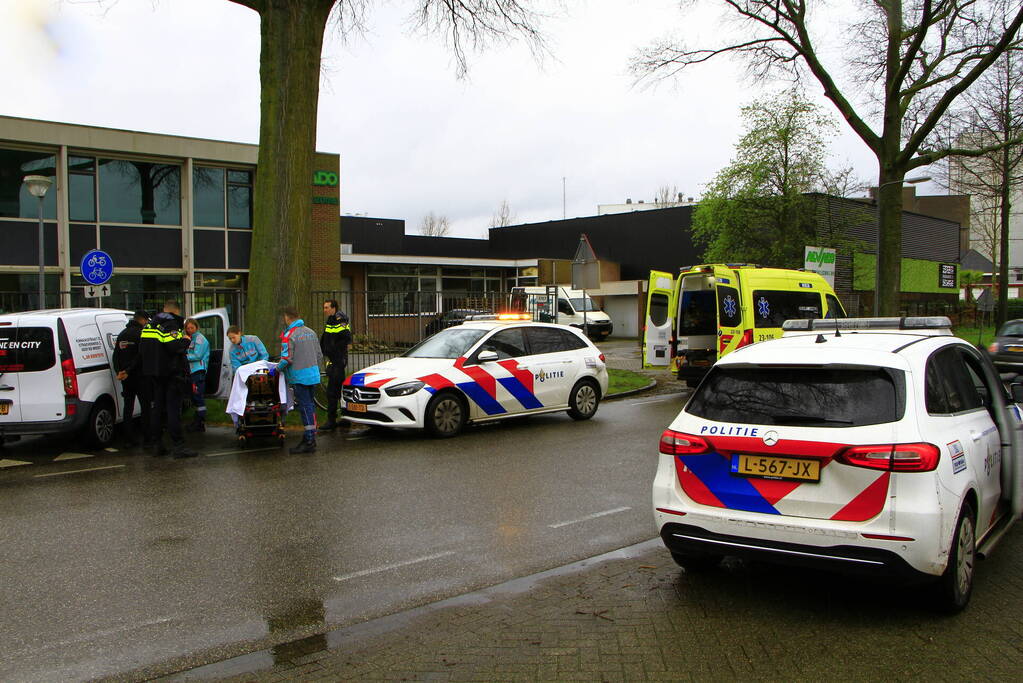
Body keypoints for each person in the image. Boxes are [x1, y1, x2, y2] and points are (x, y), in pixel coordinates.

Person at [140, 300, 198, 459]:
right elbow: (174, 347)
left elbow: (143, 349)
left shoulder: (149, 325)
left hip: (154, 374)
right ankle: (178, 446)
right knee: (173, 411)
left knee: (157, 410)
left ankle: (157, 444)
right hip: (171, 374)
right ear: (176, 311)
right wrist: (186, 340)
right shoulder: (171, 324)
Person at [277, 306, 322, 454]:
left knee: (305, 408)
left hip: (299, 377)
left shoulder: (290, 334)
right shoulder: (311, 332)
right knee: (310, 406)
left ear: (287, 317)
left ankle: (309, 440)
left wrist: (276, 370)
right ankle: (310, 436)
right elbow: (319, 355)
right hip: (313, 375)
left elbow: (287, 358)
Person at [112, 310, 151, 448]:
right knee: (145, 407)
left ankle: (129, 439)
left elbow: (115, 355)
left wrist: (120, 371)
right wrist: (129, 370)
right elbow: (141, 356)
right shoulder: (141, 334)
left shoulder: (122, 334)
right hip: (140, 376)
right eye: (146, 321)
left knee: (128, 407)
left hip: (125, 378)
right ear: (143, 320)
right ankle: (147, 438)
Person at [318, 299, 352, 433]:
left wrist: (334, 351)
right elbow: (327, 336)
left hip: (338, 359)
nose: (324, 310)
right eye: (324, 307)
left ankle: (332, 420)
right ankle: (345, 417)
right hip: (334, 359)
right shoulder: (331, 320)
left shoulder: (340, 319)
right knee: (337, 389)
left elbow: (345, 337)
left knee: (332, 391)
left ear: (333, 308)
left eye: (326, 307)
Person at [184, 317, 210, 433]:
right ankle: (198, 422)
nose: (190, 330)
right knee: (195, 398)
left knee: (198, 398)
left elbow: (197, 355)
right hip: (192, 371)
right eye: (188, 328)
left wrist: (183, 357)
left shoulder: (199, 339)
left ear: (196, 327)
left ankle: (200, 423)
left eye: (192, 328)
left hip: (198, 371)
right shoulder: (190, 339)